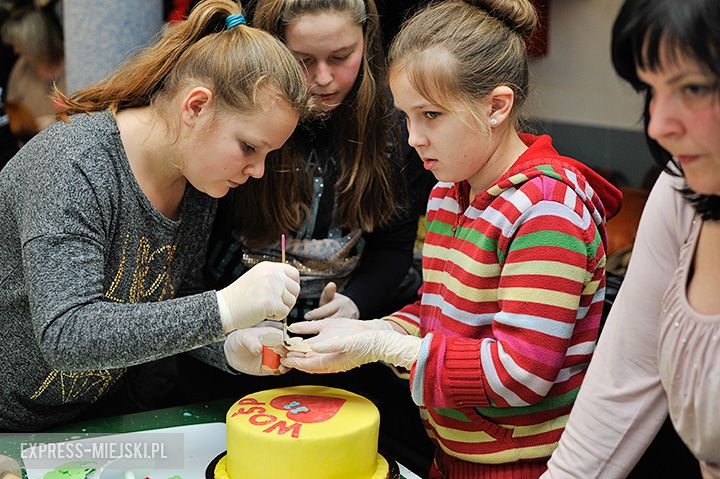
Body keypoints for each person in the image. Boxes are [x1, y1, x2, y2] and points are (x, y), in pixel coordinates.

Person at [283, 0, 623, 477]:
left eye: (431, 116)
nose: (413, 138)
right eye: (405, 117)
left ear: (496, 106)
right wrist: (378, 329)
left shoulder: (546, 212)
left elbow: (519, 373)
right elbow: (439, 315)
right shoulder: (448, 192)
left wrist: (389, 349)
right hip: (454, 456)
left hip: (525, 465)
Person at [0, 0, 309, 431]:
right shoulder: (73, 165)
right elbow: (66, 334)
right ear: (195, 107)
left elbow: (168, 305)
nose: (257, 171)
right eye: (248, 147)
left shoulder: (198, 181)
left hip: (94, 418)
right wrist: (223, 309)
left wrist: (228, 347)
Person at [541, 0, 720, 477]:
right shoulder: (683, 192)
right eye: (651, 90)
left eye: (695, 88)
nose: (659, 125)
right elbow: (621, 383)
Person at [205, 0, 431, 323]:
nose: (323, 78)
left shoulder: (396, 129)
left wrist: (355, 302)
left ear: (366, 40)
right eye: (303, 61)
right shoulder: (235, 118)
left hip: (339, 329)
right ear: (275, 47)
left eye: (341, 57)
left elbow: (393, 249)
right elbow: (193, 255)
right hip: (232, 329)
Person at [1, 1, 65, 133]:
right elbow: (13, 113)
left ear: (36, 43)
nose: (16, 51)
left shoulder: (73, 66)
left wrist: (57, 121)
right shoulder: (20, 69)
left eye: (20, 44)